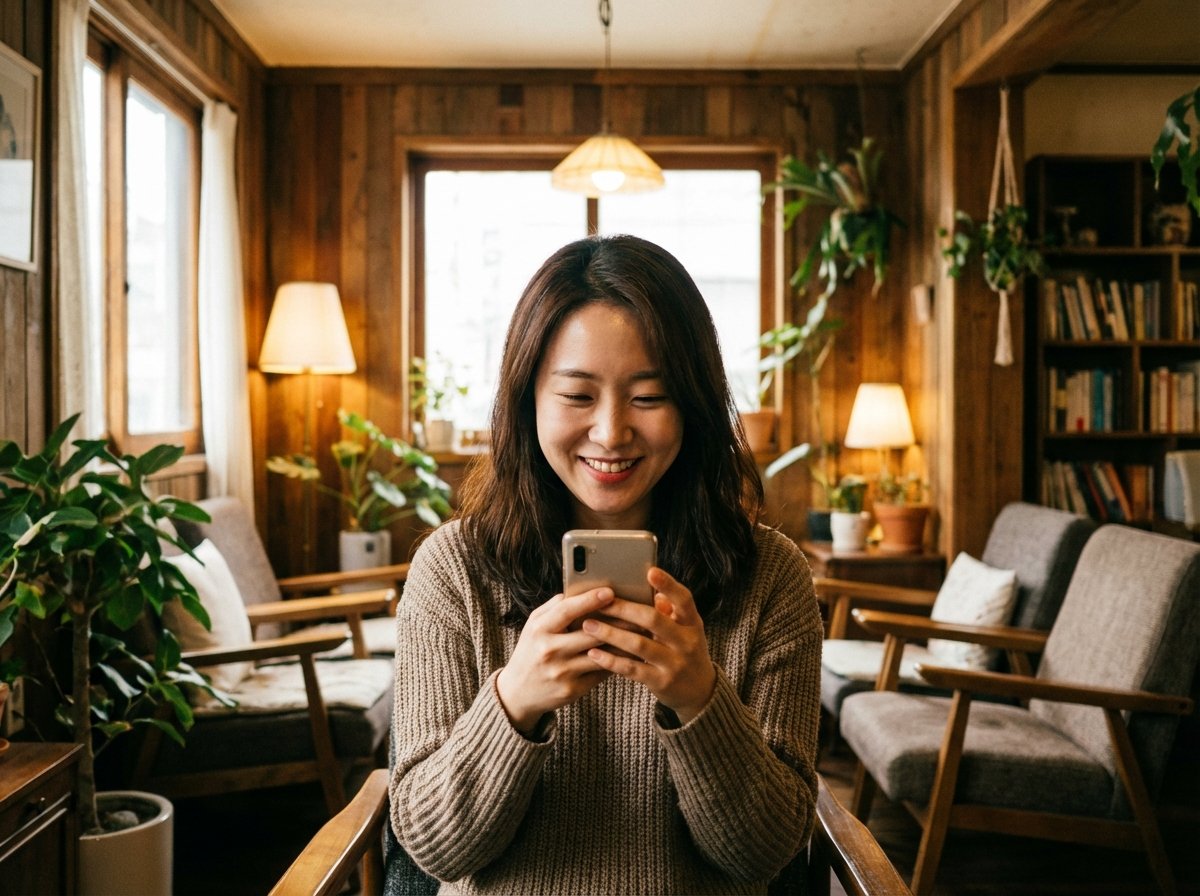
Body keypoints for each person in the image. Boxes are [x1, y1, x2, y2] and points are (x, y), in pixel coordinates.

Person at [389, 233, 822, 895]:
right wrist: (514, 703)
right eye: (578, 396)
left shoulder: (771, 575)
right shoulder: (453, 571)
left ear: (695, 406)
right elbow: (432, 848)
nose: (613, 432)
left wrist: (699, 699)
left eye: (649, 397)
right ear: (527, 396)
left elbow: (765, 854)